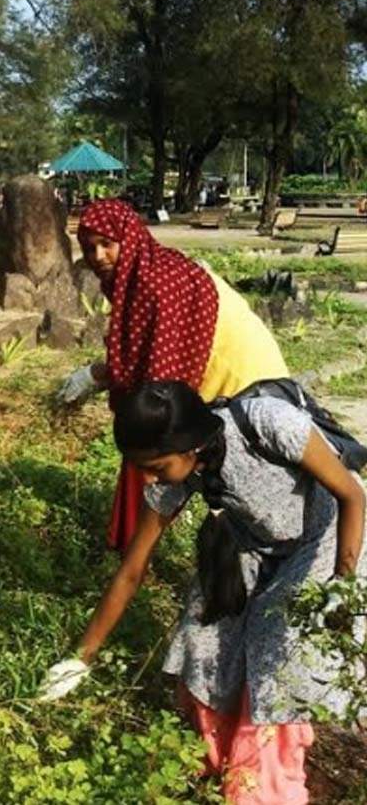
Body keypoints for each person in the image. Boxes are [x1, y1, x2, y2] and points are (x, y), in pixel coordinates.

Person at [40, 381, 365, 804]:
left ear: (191, 447)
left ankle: (262, 788)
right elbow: (132, 571)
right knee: (202, 637)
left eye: (155, 466)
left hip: (325, 542)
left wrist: (340, 586)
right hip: (254, 546)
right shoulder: (178, 474)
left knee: (272, 666)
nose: (146, 476)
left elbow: (352, 496)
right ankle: (215, 760)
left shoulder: (269, 424)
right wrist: (79, 659)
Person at [58, 199, 288, 551]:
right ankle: (137, 548)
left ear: (129, 238)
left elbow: (159, 385)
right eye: (89, 248)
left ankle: (141, 552)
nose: (99, 256)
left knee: (161, 443)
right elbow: (141, 353)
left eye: (107, 244)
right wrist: (97, 375)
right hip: (229, 379)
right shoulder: (140, 275)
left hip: (249, 383)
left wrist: (103, 382)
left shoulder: (156, 283)